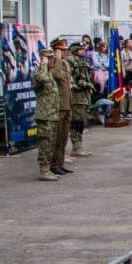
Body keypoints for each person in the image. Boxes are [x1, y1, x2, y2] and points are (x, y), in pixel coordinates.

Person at [31, 49, 60, 181]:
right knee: (45, 142)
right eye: (49, 58)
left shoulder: (50, 73)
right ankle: (43, 170)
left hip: (53, 113)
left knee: (51, 142)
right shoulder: (38, 72)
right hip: (44, 114)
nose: (52, 60)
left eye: (52, 58)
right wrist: (43, 64)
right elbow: (41, 80)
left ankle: (47, 169)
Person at [49, 38, 74, 173]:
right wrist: (57, 60)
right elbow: (56, 76)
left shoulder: (64, 64)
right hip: (59, 105)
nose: (65, 52)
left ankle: (60, 162)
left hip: (67, 104)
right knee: (57, 137)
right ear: (56, 51)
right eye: (62, 50)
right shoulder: (53, 63)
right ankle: (53, 164)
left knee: (64, 137)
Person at [67, 43, 94, 157]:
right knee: (76, 121)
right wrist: (84, 84)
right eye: (80, 49)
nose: (83, 51)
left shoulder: (83, 60)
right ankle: (76, 146)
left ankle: (79, 145)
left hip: (84, 95)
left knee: (81, 121)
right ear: (75, 50)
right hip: (76, 95)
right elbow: (71, 79)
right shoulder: (71, 61)